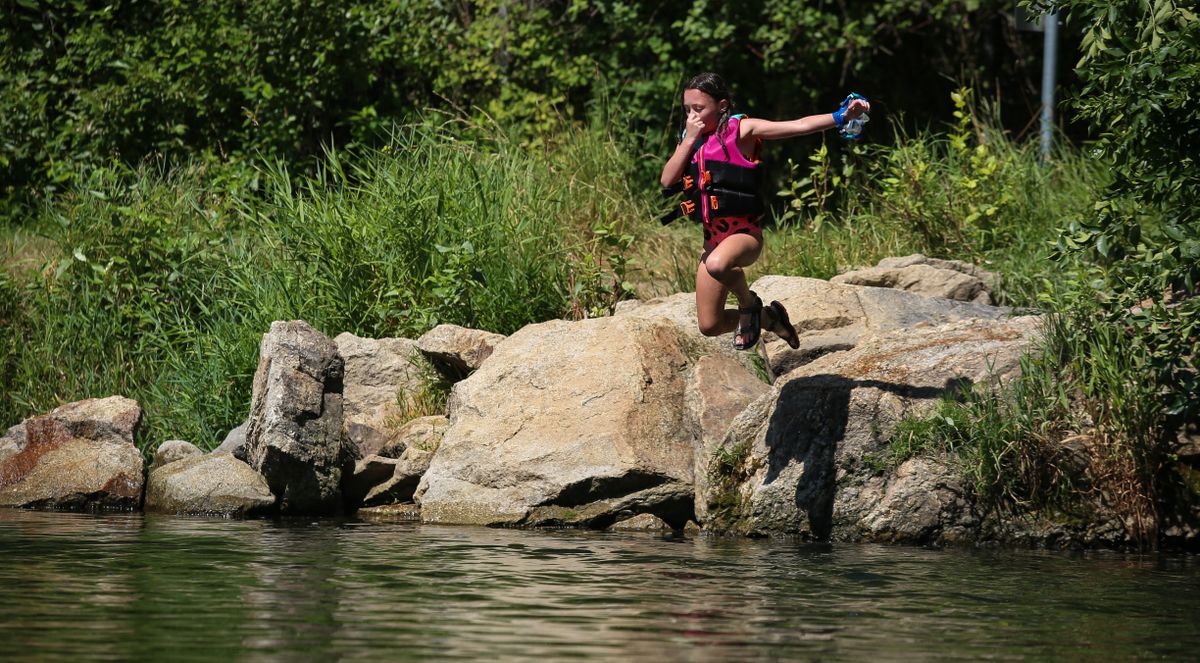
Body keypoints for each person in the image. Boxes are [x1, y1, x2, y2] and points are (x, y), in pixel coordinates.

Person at [659, 72, 870, 351]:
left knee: (718, 265)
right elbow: (667, 180)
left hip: (744, 236)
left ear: (722, 106)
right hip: (712, 241)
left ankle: (749, 305)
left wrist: (840, 116)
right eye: (687, 109)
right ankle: (769, 318)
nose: (692, 116)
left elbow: (797, 126)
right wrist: (689, 140)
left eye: (699, 109)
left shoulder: (742, 129)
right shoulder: (691, 138)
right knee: (709, 325)